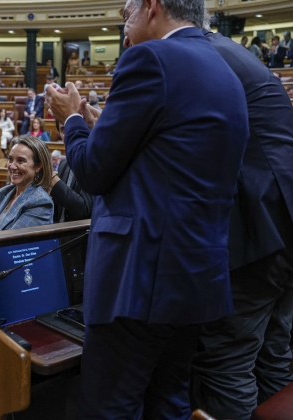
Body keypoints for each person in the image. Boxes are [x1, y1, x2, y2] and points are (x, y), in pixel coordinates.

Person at [44, 0, 249, 416]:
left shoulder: (151, 59)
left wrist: (71, 121)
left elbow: (93, 172)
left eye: (126, 16)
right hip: (195, 277)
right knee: (169, 403)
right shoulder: (225, 70)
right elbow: (170, 160)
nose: (124, 32)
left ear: (153, 6)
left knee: (110, 408)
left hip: (138, 280)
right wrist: (103, 128)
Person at [190, 22, 293, 420]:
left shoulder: (195, 55)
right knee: (272, 353)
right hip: (282, 229)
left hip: (258, 232)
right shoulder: (231, 52)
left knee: (227, 360)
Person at [48, 120, 93, 223]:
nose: (68, 134)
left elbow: (85, 209)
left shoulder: (94, 163)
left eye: (72, 128)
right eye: (63, 130)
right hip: (60, 234)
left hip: (82, 235)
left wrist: (51, 178)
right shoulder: (64, 164)